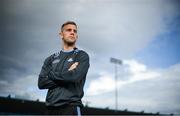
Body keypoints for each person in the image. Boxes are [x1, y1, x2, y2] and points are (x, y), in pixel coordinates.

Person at [38, 21, 90, 115]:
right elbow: (41, 83)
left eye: (75, 31)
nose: (72, 32)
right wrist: (67, 72)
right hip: (49, 109)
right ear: (61, 34)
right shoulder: (50, 59)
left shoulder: (81, 56)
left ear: (77, 36)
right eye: (68, 30)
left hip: (70, 108)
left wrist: (51, 75)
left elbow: (74, 77)